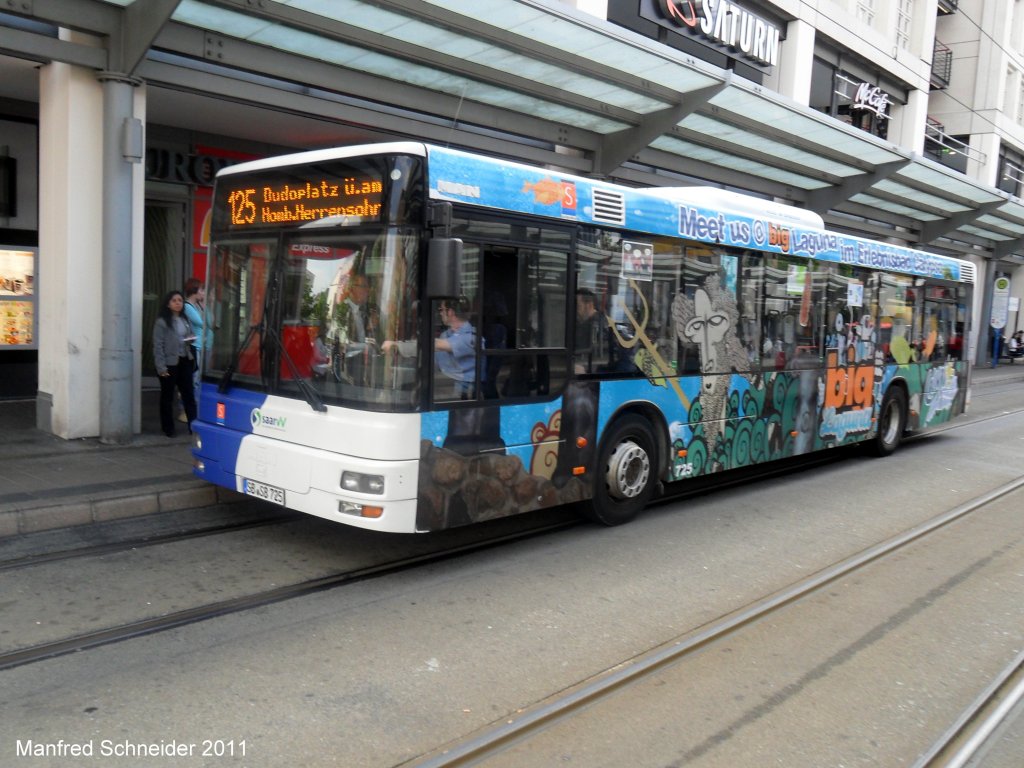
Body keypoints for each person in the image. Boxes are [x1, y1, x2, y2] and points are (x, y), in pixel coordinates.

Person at [153, 290, 197, 437]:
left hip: (184, 359)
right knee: (167, 397)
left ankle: (193, 426)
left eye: (180, 300)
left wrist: (191, 339)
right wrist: (161, 367)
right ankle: (168, 428)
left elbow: (190, 336)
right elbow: (157, 345)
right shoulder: (162, 322)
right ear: (168, 304)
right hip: (169, 363)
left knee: (188, 395)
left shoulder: (185, 319)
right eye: (174, 300)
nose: (178, 303)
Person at [435, 297, 476, 398]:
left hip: (463, 390)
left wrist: (397, 345)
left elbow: (436, 345)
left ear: (450, 312)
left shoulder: (472, 337)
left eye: (441, 310)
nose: (440, 313)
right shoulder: (445, 335)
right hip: (443, 382)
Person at [182, 277, 208, 417]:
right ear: (194, 291)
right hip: (194, 347)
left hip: (199, 346)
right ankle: (192, 410)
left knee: (197, 378)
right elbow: (201, 322)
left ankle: (193, 408)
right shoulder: (188, 307)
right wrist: (204, 308)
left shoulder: (195, 306)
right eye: (201, 290)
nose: (203, 293)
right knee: (194, 379)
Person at [574, 288, 600, 374]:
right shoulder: (581, 323)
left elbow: (597, 354)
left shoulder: (599, 325)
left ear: (589, 305)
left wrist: (584, 368)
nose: (576, 311)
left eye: (578, 306)